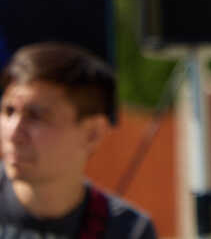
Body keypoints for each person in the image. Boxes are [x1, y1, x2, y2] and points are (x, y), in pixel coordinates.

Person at [0, 42, 158, 239]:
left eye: (36, 116)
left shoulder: (128, 231)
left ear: (93, 133)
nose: (14, 133)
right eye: (9, 111)